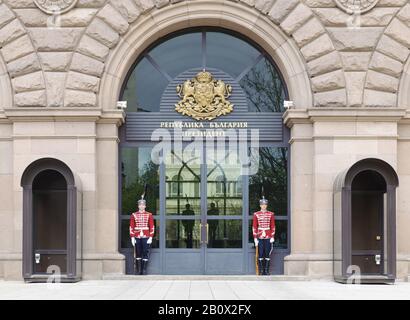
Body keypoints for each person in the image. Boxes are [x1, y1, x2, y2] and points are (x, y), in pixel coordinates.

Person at [129, 195, 155, 275]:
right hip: (137, 236)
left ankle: (144, 270)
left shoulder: (149, 215)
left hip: (146, 236)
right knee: (138, 252)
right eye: (140, 205)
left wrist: (151, 237)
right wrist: (132, 237)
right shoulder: (134, 215)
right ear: (138, 206)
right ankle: (138, 270)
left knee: (145, 252)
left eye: (143, 205)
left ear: (145, 206)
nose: (142, 206)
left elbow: (152, 226)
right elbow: (131, 226)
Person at [252, 196, 275, 275]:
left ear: (266, 205)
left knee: (267, 253)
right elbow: (254, 227)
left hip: (268, 235)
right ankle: (261, 271)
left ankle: (266, 271)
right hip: (260, 235)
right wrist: (255, 238)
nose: (264, 206)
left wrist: (272, 236)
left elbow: (273, 226)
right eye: (262, 204)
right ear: (260, 205)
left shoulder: (271, 214)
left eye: (265, 204)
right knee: (260, 253)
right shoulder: (256, 214)